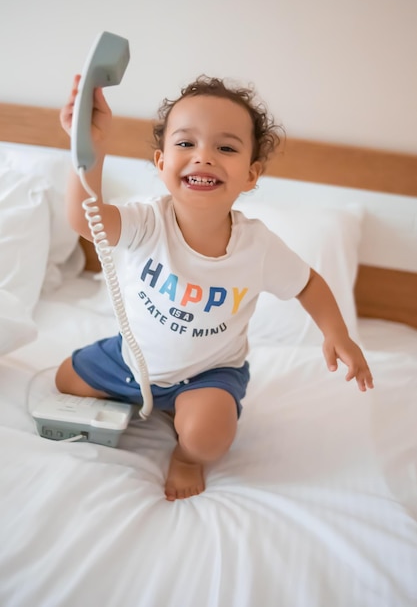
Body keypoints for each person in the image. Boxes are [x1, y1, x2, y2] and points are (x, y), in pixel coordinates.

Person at [56, 74, 374, 502]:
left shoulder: (257, 246)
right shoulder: (145, 221)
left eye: (225, 148)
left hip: (208, 374)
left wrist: (337, 333)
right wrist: (89, 149)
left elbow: (308, 284)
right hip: (133, 358)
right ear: (161, 161)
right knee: (64, 381)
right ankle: (150, 401)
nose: (203, 157)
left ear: (250, 174)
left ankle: (185, 456)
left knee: (209, 436)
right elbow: (84, 217)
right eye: (186, 144)